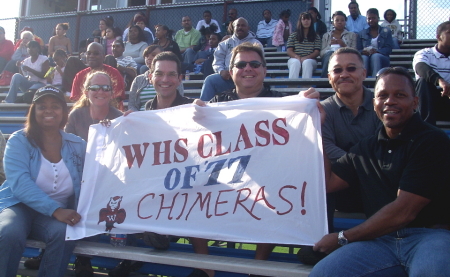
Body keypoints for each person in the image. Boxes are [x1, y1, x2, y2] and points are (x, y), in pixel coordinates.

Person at [192, 42, 318, 277]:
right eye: (241, 64)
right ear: (231, 72)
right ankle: (204, 267)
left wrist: (308, 107)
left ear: (264, 70)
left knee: (276, 190)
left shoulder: (284, 103)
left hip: (265, 181)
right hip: (227, 179)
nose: (247, 68)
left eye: (254, 64)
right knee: (190, 191)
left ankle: (258, 268)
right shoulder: (217, 103)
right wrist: (194, 115)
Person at [309, 67, 450, 277]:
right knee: (323, 273)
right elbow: (328, 182)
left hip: (430, 236)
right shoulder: (366, 147)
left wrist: (342, 238)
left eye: (399, 95)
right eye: (382, 95)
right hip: (380, 241)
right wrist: (316, 128)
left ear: (415, 102)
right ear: (374, 102)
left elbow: (404, 211)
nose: (389, 101)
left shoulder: (432, 140)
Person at [0, 85, 86, 277]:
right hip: (18, 206)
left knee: (64, 233)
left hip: (56, 210)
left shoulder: (77, 145)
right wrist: (56, 211)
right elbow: (20, 183)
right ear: (33, 111)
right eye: (42, 106)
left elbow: (103, 166)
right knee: (9, 232)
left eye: (55, 106)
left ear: (64, 112)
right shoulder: (19, 141)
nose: (48, 110)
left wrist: (115, 127)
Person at [199, 18, 262, 101]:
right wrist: (221, 71)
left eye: (243, 25)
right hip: (228, 79)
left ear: (248, 28)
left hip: (247, 77)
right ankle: (203, 110)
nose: (240, 27)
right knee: (210, 80)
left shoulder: (256, 44)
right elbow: (217, 61)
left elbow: (260, 64)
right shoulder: (224, 43)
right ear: (233, 28)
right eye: (238, 25)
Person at [413, 21, 450, 125]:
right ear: (438, 37)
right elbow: (421, 68)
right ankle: (427, 131)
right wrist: (440, 81)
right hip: (430, 103)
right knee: (423, 81)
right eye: (449, 32)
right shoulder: (425, 53)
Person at [70, 42, 125, 110]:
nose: (91, 56)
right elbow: (77, 100)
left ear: (104, 56)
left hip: (112, 114)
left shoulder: (114, 73)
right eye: (89, 53)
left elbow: (116, 100)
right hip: (86, 115)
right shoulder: (79, 76)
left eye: (96, 53)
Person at [129, 45, 185, 112]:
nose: (149, 58)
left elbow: (180, 102)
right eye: (147, 56)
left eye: (153, 55)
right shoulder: (138, 80)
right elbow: (132, 105)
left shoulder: (174, 79)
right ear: (150, 78)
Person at [320, 11, 357, 77]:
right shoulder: (326, 35)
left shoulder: (352, 35)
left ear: (345, 22)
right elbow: (321, 53)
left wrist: (344, 45)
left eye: (342, 20)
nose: (340, 22)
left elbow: (355, 52)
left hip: (345, 57)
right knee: (330, 54)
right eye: (337, 20)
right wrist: (329, 45)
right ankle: (324, 81)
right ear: (333, 23)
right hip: (329, 57)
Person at [357, 8, 392, 77]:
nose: (371, 20)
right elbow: (358, 49)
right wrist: (362, 52)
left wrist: (377, 51)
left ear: (378, 18)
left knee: (375, 56)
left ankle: (374, 81)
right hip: (367, 56)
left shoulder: (386, 31)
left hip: (382, 57)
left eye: (373, 18)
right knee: (364, 57)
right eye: (369, 18)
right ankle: (362, 82)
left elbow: (388, 49)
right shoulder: (361, 33)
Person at [287, 12, 321, 80]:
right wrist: (297, 57)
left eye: (308, 19)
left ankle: (305, 88)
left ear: (311, 21)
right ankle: (291, 88)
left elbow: (316, 52)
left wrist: (306, 57)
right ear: (300, 21)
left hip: (311, 60)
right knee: (295, 62)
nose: (306, 21)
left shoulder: (316, 36)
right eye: (304, 19)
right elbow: (289, 51)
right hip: (295, 58)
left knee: (307, 62)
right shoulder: (293, 35)